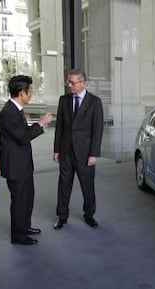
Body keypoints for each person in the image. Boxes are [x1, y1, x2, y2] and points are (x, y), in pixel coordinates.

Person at [0, 75, 53, 245]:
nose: (32, 94)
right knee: (20, 200)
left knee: (28, 197)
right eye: (30, 91)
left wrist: (36, 126)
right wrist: (41, 124)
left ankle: (25, 227)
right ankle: (18, 236)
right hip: (15, 166)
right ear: (22, 93)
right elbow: (22, 137)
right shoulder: (8, 112)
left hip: (23, 164)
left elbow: (21, 134)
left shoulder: (17, 110)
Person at [53, 69, 104, 230]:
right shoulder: (64, 100)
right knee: (63, 185)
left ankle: (89, 214)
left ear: (83, 83)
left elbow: (97, 130)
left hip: (85, 153)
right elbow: (59, 126)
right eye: (68, 82)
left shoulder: (95, 102)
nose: (69, 86)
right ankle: (62, 216)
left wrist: (94, 153)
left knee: (87, 186)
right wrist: (56, 149)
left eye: (72, 83)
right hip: (66, 151)